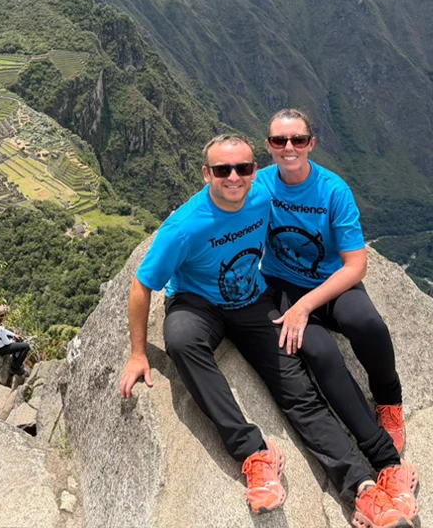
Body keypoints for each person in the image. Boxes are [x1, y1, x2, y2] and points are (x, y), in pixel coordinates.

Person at [119, 134, 418, 526]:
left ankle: (361, 488)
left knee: (298, 393)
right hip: (197, 303)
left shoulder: (262, 198)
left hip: (252, 301)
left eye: (243, 168)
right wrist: (138, 353)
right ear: (206, 173)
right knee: (180, 339)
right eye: (222, 170)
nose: (233, 178)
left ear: (254, 171)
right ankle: (254, 454)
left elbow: (305, 209)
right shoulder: (184, 227)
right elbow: (142, 284)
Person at [259, 109, 409, 461]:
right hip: (282, 284)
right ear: (269, 146)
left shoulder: (332, 191)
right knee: (319, 351)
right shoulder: (260, 185)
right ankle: (371, 443)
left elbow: (356, 265)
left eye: (297, 139)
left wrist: (306, 305)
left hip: (331, 283)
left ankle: (388, 399)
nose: (289, 147)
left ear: (311, 143)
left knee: (366, 323)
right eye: (280, 140)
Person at [0, 305, 30, 379]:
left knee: (19, 340)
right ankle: (15, 368)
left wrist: (15, 335)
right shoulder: (0, 328)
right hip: (1, 349)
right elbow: (7, 342)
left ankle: (15, 361)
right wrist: (13, 340)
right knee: (26, 347)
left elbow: (5, 331)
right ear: (4, 316)